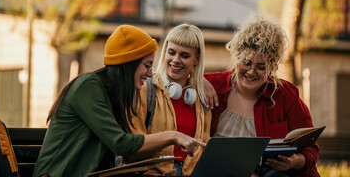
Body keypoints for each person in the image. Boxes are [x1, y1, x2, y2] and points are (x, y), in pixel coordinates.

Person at [33, 24, 206, 177]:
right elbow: (120, 143)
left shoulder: (116, 92)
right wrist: (172, 136)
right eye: (147, 65)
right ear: (127, 63)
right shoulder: (88, 87)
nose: (150, 74)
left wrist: (204, 81)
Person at [204, 17, 320, 177]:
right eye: (246, 63)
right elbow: (173, 78)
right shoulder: (213, 85)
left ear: (271, 67)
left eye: (261, 67)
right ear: (237, 58)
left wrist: (294, 161)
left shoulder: (285, 95)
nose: (251, 72)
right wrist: (195, 80)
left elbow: (310, 148)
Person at [129, 23, 212, 176]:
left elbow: (203, 151)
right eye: (171, 52)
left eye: (185, 55)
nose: (176, 60)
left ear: (197, 59)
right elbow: (131, 147)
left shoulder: (201, 99)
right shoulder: (145, 89)